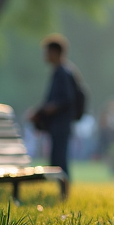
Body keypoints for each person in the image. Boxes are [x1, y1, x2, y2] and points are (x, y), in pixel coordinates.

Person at [30, 34, 79, 188]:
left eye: (48, 52)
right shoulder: (64, 71)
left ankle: (64, 190)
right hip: (60, 124)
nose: (45, 55)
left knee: (59, 159)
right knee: (57, 158)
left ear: (56, 52)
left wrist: (43, 112)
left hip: (60, 124)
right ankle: (62, 190)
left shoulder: (62, 73)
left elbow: (64, 99)